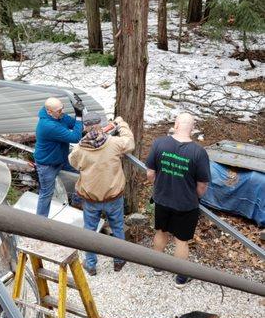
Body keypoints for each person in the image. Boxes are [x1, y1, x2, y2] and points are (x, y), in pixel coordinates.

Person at [146, 113, 211, 288]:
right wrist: (194, 196)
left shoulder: (159, 143)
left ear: (175, 124)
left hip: (161, 200)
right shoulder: (199, 152)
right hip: (185, 205)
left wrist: (159, 185)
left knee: (160, 232)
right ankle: (181, 278)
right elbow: (202, 185)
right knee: (181, 241)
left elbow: (150, 174)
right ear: (192, 128)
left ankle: (157, 267)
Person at [68, 113, 135, 276]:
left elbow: (73, 163)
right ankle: (119, 261)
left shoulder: (78, 149)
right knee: (117, 227)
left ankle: (91, 265)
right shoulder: (114, 143)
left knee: (90, 232)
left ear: (85, 127)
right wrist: (121, 124)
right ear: (101, 124)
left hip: (90, 199)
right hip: (114, 197)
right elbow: (130, 142)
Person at [34, 96, 84, 217]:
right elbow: (75, 137)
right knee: (46, 194)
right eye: (59, 110)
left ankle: (77, 201)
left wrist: (80, 120)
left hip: (61, 158)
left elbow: (74, 125)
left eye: (62, 109)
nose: (62, 112)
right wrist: (79, 115)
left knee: (84, 172)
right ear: (49, 111)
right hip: (47, 165)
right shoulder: (48, 125)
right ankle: (39, 223)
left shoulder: (58, 116)